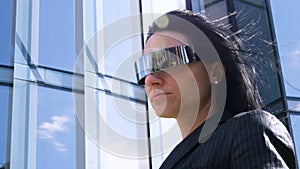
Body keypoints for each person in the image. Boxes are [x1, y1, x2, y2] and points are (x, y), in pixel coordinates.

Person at [134, 9, 296, 169]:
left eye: (167, 60)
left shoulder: (247, 130)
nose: (150, 79)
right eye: (146, 68)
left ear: (215, 72)